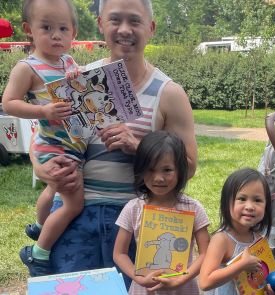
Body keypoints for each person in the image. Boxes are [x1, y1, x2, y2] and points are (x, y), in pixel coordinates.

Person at [29, 0, 197, 287]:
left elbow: (189, 167)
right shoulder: (77, 79)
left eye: (135, 21)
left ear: (151, 28)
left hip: (136, 219)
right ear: (100, 25)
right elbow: (43, 136)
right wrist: (41, 169)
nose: (124, 30)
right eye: (115, 20)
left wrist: (140, 148)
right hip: (74, 215)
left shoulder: (170, 94)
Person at [2, 0, 86, 277]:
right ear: (28, 29)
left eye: (63, 28)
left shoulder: (69, 61)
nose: (56, 35)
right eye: (46, 27)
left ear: (73, 32)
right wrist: (43, 110)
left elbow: (83, 88)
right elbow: (9, 103)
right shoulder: (27, 67)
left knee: (52, 190)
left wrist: (77, 75)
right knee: (73, 203)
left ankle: (40, 225)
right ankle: (39, 252)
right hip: (52, 144)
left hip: (71, 143)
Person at [114, 131, 209, 294]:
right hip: (143, 289)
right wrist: (139, 278)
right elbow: (119, 253)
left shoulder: (193, 208)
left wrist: (181, 280)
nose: (158, 178)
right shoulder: (133, 208)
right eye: (150, 169)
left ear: (180, 170)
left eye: (167, 170)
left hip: (182, 289)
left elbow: (206, 254)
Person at [199, 168, 275, 295]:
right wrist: (241, 265)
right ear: (227, 203)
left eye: (257, 200)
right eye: (242, 199)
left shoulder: (257, 236)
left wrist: (268, 290)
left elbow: (258, 275)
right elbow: (205, 282)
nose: (249, 206)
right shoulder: (222, 240)